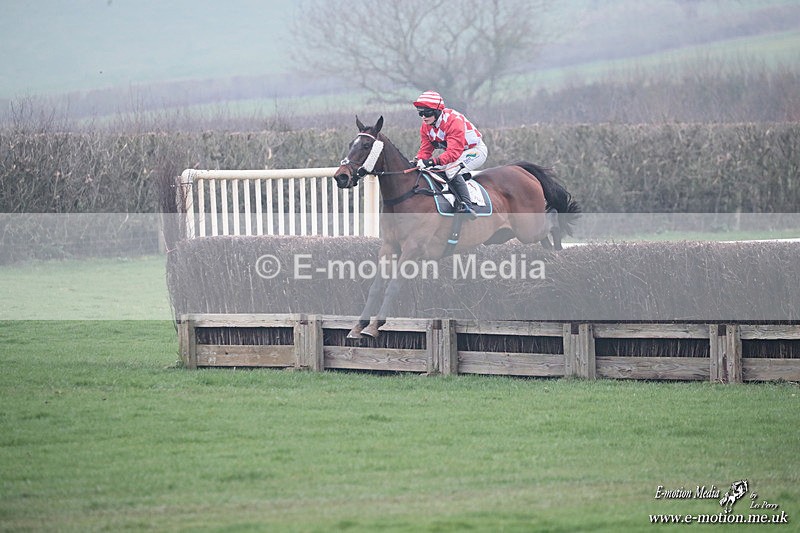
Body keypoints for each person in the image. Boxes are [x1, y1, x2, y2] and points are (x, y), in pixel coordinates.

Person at [413, 90, 488, 218]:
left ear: (437, 111)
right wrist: (418, 161)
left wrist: (431, 161)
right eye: (420, 113)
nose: (423, 117)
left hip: (475, 151)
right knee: (432, 170)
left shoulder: (453, 121)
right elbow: (425, 150)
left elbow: (453, 153)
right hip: (457, 154)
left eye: (427, 113)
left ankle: (467, 207)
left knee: (451, 170)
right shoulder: (426, 126)